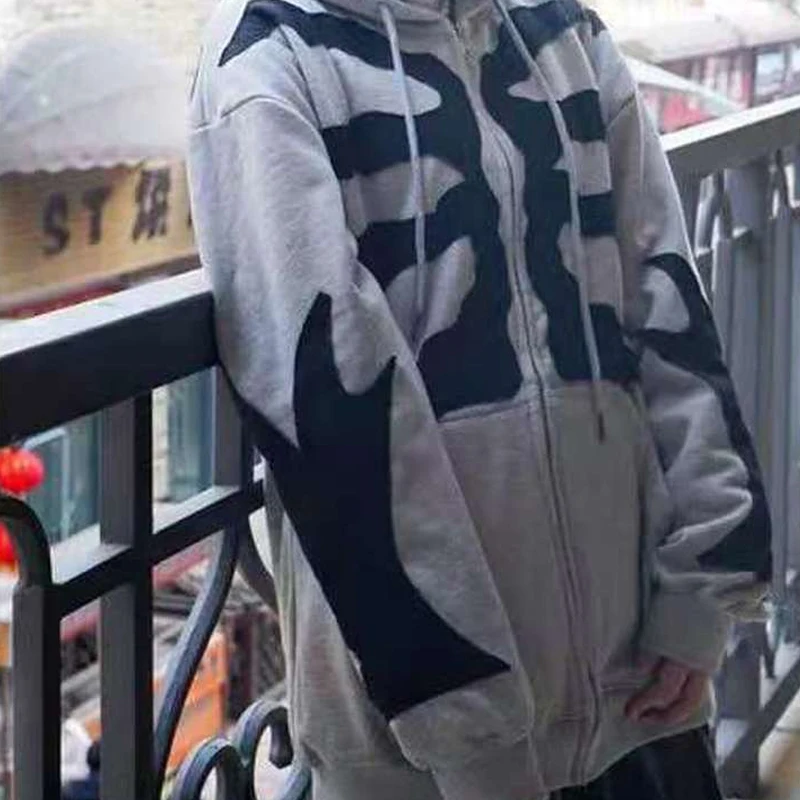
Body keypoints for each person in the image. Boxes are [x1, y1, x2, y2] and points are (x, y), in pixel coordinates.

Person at [187, 0, 772, 796]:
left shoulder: (566, 31)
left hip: (642, 694)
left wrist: (703, 593)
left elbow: (666, 300)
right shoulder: (266, 54)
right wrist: (467, 724)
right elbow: (328, 414)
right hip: (425, 758)